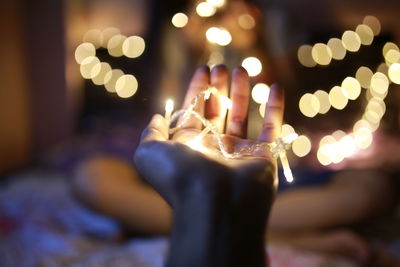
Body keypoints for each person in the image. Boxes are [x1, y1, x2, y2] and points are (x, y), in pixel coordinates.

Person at [72, 65, 396, 264]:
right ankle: (269, 231)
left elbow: (295, 102)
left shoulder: (270, 33)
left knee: (376, 186)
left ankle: (206, 214)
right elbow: (168, 92)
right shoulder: (174, 36)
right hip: (177, 172)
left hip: (281, 171)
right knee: (90, 176)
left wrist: (257, 43)